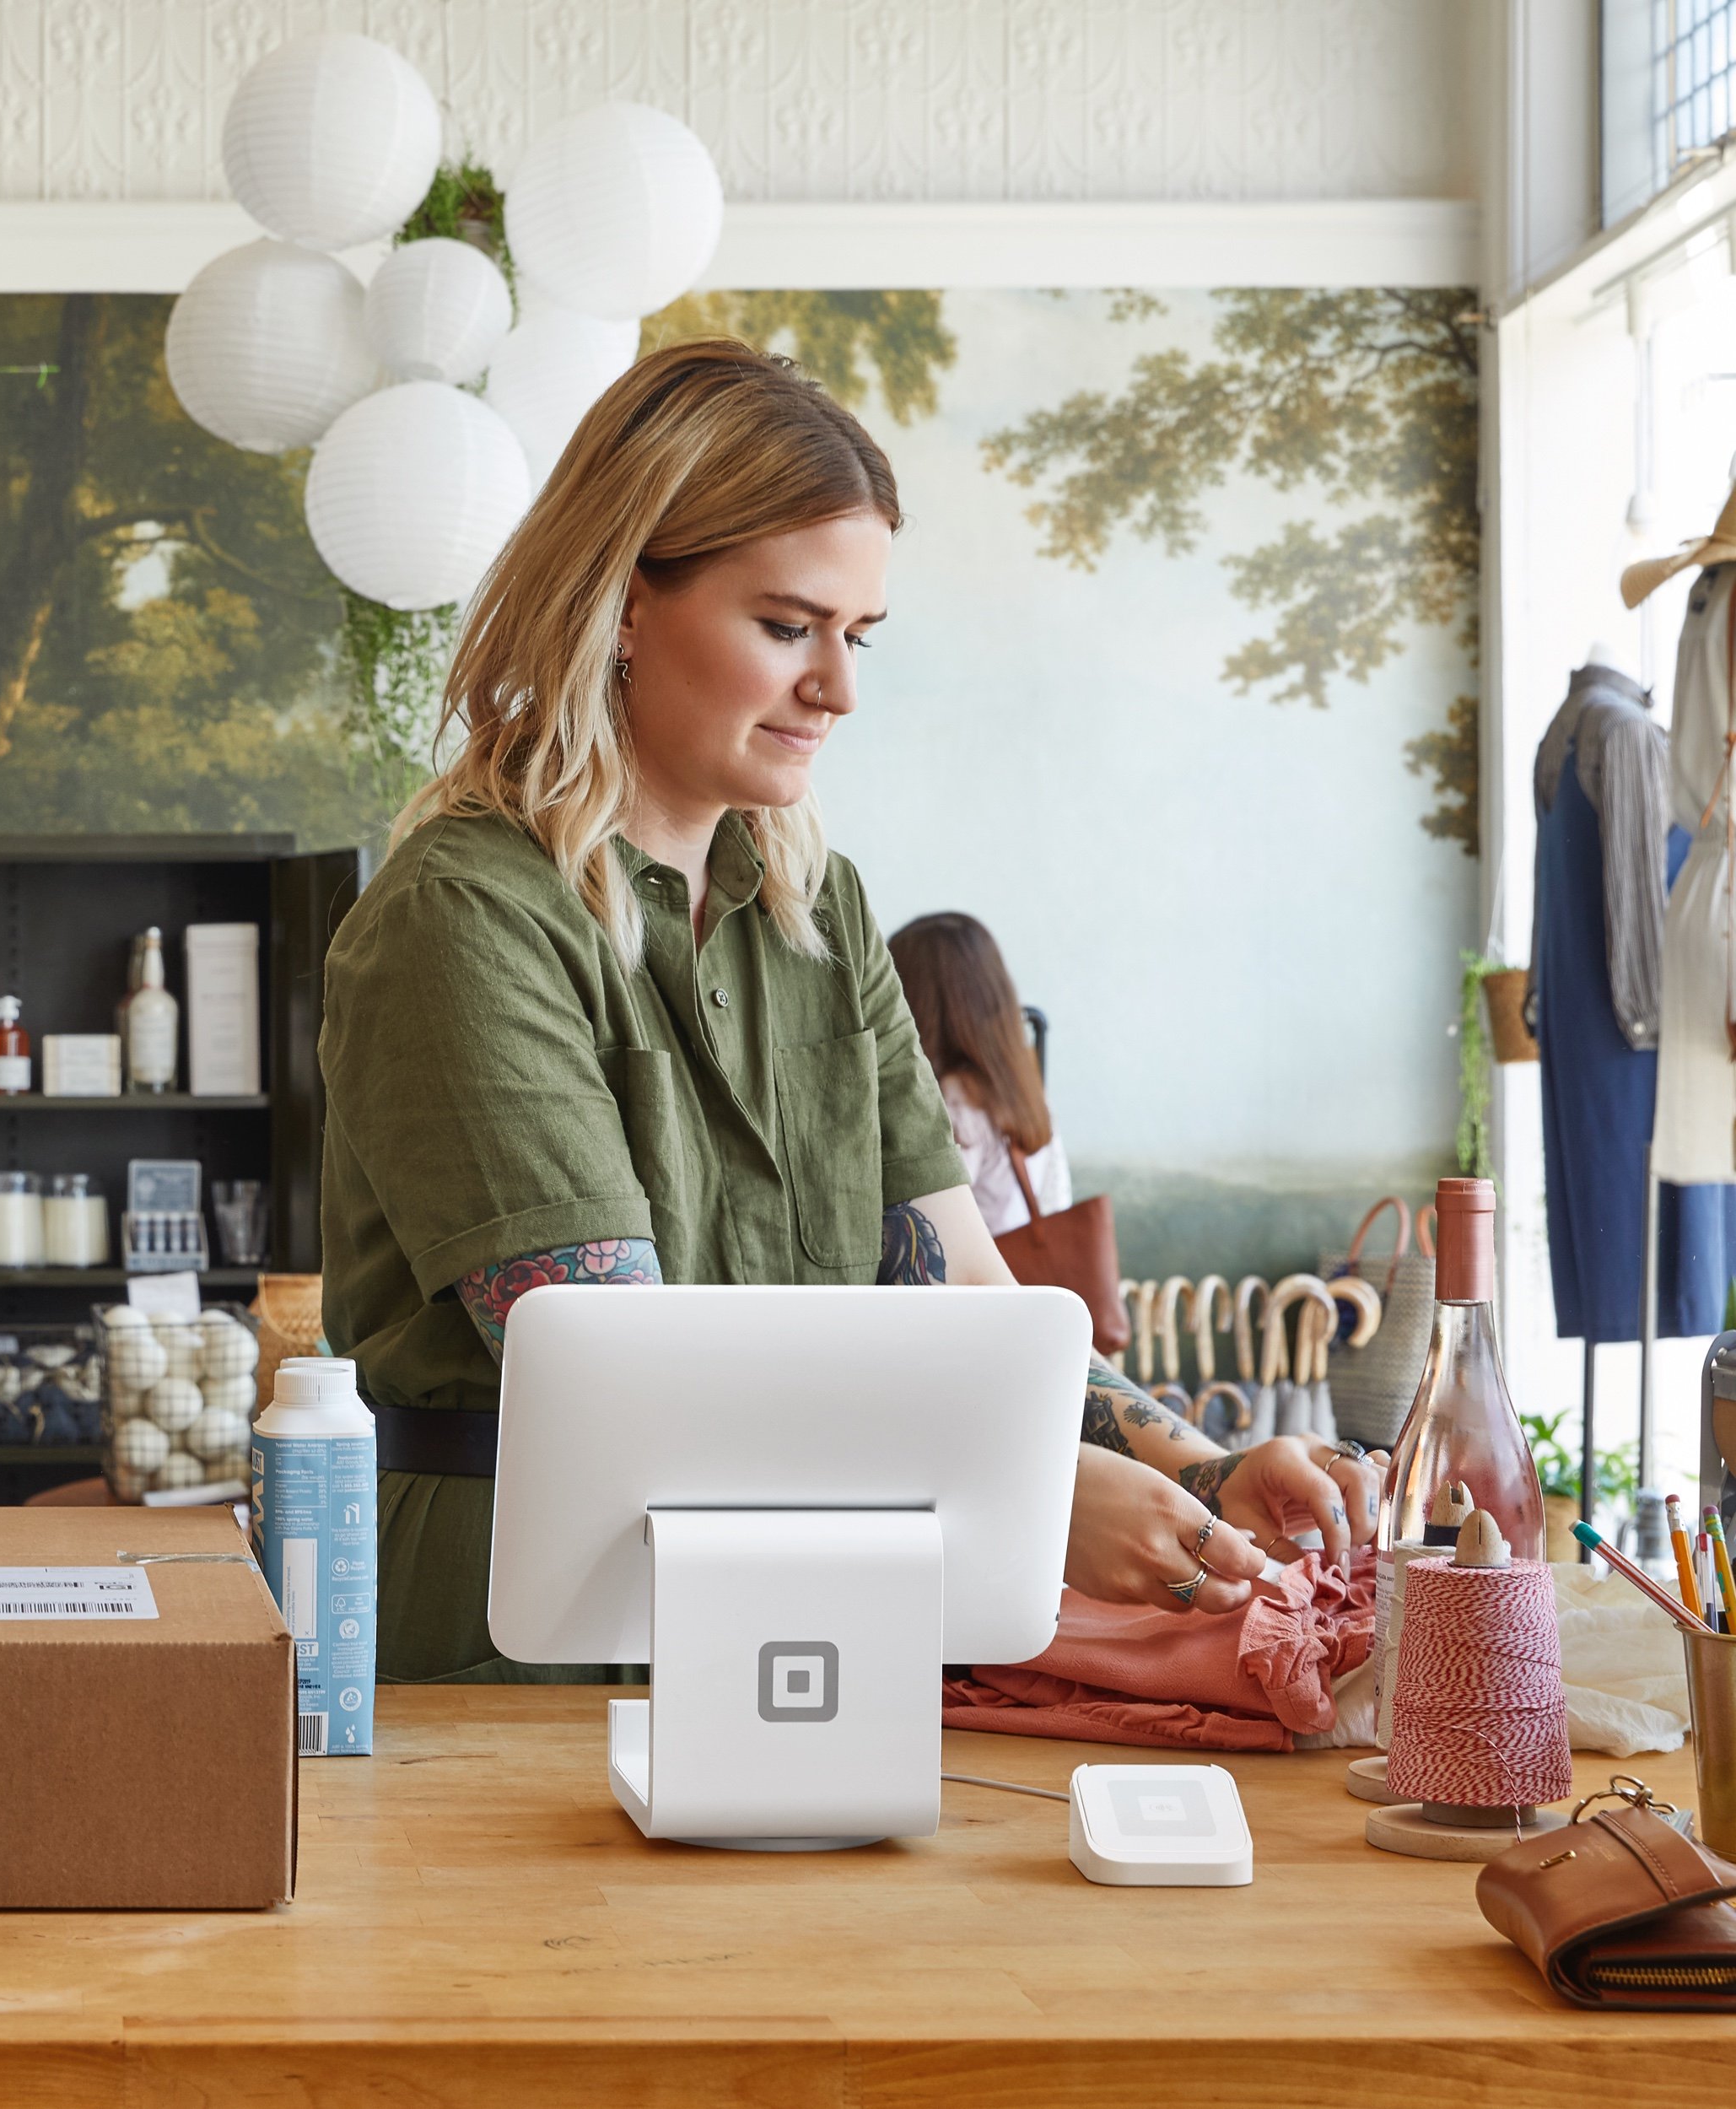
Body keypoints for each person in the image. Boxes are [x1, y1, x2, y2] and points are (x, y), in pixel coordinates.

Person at [319, 339, 1384, 1684]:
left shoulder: (816, 914)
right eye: (787, 626)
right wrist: (1032, 1500)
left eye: (858, 635)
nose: (840, 689)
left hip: (801, 1634)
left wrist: (1201, 1466)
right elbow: (630, 1394)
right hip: (518, 1663)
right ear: (621, 601)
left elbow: (971, 1301)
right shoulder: (466, 917)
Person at [887, 913, 1069, 1237]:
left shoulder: (954, 1102)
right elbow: (1056, 1199)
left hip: (980, 1283)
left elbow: (938, 1229)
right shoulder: (1020, 1083)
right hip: (1025, 1280)